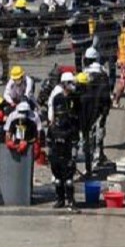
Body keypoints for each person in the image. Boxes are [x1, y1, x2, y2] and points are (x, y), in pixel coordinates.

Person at [47, 72, 78, 209]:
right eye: (70, 83)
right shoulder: (57, 98)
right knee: (58, 178)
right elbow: (52, 117)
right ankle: (60, 200)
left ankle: (70, 200)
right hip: (56, 148)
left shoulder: (75, 99)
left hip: (68, 146)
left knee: (69, 178)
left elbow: (78, 116)